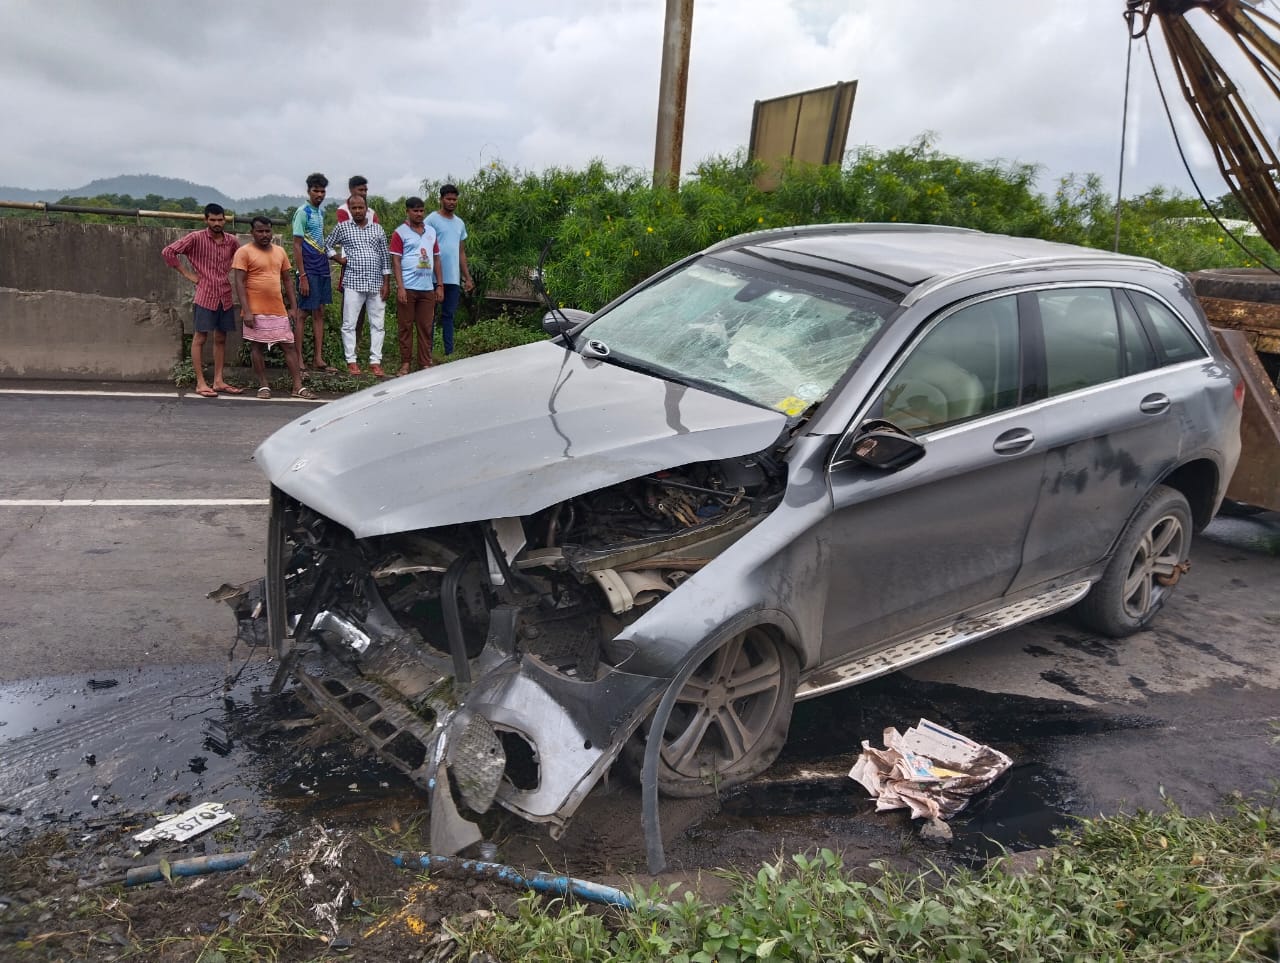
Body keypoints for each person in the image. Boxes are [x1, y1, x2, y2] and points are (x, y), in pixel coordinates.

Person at [161, 203, 242, 397]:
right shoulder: (196, 238)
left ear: (225, 220)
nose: (216, 223)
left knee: (221, 338)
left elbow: (241, 259)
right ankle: (200, 383)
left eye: (220, 219)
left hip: (224, 295)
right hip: (205, 295)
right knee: (200, 337)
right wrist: (187, 274)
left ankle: (219, 381)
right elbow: (168, 252)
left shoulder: (231, 241)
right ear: (206, 220)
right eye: (212, 220)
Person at [231, 217, 316, 400]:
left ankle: (298, 387)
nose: (264, 235)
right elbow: (239, 282)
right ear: (252, 232)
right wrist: (247, 310)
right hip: (255, 310)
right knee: (257, 347)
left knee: (289, 346)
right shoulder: (243, 252)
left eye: (267, 231)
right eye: (260, 231)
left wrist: (293, 308)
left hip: (278, 309)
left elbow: (287, 280)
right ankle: (263, 386)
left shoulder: (280, 251)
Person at [324, 194, 391, 377]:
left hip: (376, 283)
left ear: (366, 208)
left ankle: (375, 361)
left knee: (378, 324)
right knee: (349, 323)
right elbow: (327, 245)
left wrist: (387, 283)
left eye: (361, 207)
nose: (358, 211)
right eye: (354, 208)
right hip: (353, 282)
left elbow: (385, 258)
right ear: (350, 209)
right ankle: (351, 361)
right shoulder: (343, 227)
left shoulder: (377, 229)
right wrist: (338, 258)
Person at [389, 197, 444, 375]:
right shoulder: (400, 233)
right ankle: (405, 363)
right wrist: (401, 287)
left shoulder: (431, 232)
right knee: (405, 326)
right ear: (408, 211)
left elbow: (436, 258)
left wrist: (440, 285)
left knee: (426, 327)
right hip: (408, 287)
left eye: (421, 210)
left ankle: (424, 362)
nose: (419, 214)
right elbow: (396, 260)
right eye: (415, 211)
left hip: (427, 288)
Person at [291, 172, 336, 374]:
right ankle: (298, 357)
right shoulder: (303, 212)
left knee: (319, 311)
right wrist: (302, 275)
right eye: (316, 190)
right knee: (302, 313)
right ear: (308, 191)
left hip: (321, 265)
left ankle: (318, 358)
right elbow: (297, 245)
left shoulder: (320, 212)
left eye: (322, 191)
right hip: (308, 267)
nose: (319, 194)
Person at [425, 184, 474, 356]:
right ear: (441, 199)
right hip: (431, 278)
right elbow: (422, 245)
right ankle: (427, 354)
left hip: (453, 278)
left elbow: (461, 251)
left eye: (454, 199)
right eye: (448, 199)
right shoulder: (431, 220)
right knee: (429, 317)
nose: (452, 202)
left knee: (448, 316)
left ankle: (449, 353)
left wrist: (467, 277)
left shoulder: (459, 223)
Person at [336, 175, 379, 343]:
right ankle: (346, 340)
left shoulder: (372, 212)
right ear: (351, 190)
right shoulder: (343, 211)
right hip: (351, 262)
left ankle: (358, 339)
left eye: (366, 190)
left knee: (363, 304)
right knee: (349, 302)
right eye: (361, 190)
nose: (364, 192)